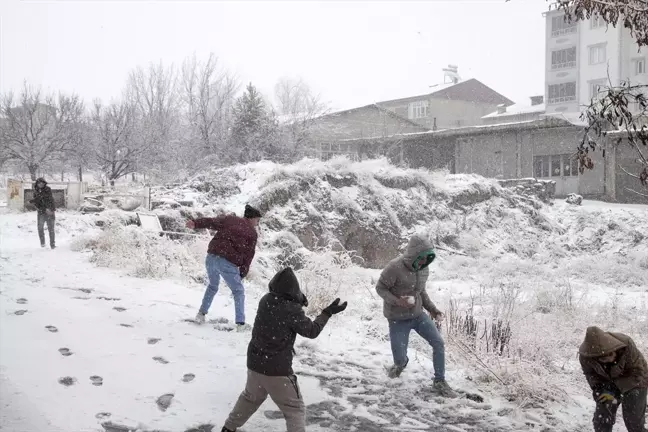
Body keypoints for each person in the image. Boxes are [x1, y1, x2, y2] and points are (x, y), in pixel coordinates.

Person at [221, 267, 347, 432]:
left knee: (249, 398)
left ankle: (228, 428)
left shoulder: (266, 300)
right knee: (294, 409)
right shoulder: (291, 310)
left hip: (255, 364)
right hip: (277, 370)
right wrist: (327, 312)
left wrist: (298, 301)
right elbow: (312, 331)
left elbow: (282, 309)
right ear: (294, 290)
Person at [375, 233, 457, 398]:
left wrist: (432, 309)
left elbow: (421, 292)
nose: (423, 262)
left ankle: (439, 381)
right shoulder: (394, 267)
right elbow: (380, 288)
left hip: (418, 316)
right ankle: (400, 364)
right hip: (397, 319)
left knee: (438, 343)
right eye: (421, 258)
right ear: (413, 255)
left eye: (427, 259)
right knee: (399, 360)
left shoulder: (423, 269)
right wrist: (398, 301)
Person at [186, 204, 262, 330]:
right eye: (257, 220)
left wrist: (195, 223)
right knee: (238, 291)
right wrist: (242, 272)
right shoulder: (252, 233)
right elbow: (249, 255)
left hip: (211, 257)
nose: (258, 223)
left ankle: (201, 314)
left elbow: (211, 222)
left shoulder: (230, 219)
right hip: (227, 261)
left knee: (212, 286)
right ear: (252, 218)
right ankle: (240, 324)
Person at [578, 326, 648, 432]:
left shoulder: (626, 344)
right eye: (603, 358)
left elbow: (637, 372)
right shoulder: (585, 355)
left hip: (635, 381)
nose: (608, 359)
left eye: (611, 354)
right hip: (607, 383)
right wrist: (599, 389)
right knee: (602, 417)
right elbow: (590, 374)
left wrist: (616, 390)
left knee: (633, 420)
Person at [29, 177, 56, 249]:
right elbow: (38, 201)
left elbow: (47, 199)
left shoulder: (48, 189)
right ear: (37, 184)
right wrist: (34, 202)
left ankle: (52, 245)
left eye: (42, 183)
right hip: (41, 212)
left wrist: (50, 210)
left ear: (44, 183)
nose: (41, 184)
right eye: (39, 183)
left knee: (51, 229)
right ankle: (42, 243)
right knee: (40, 228)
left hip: (49, 211)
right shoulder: (36, 191)